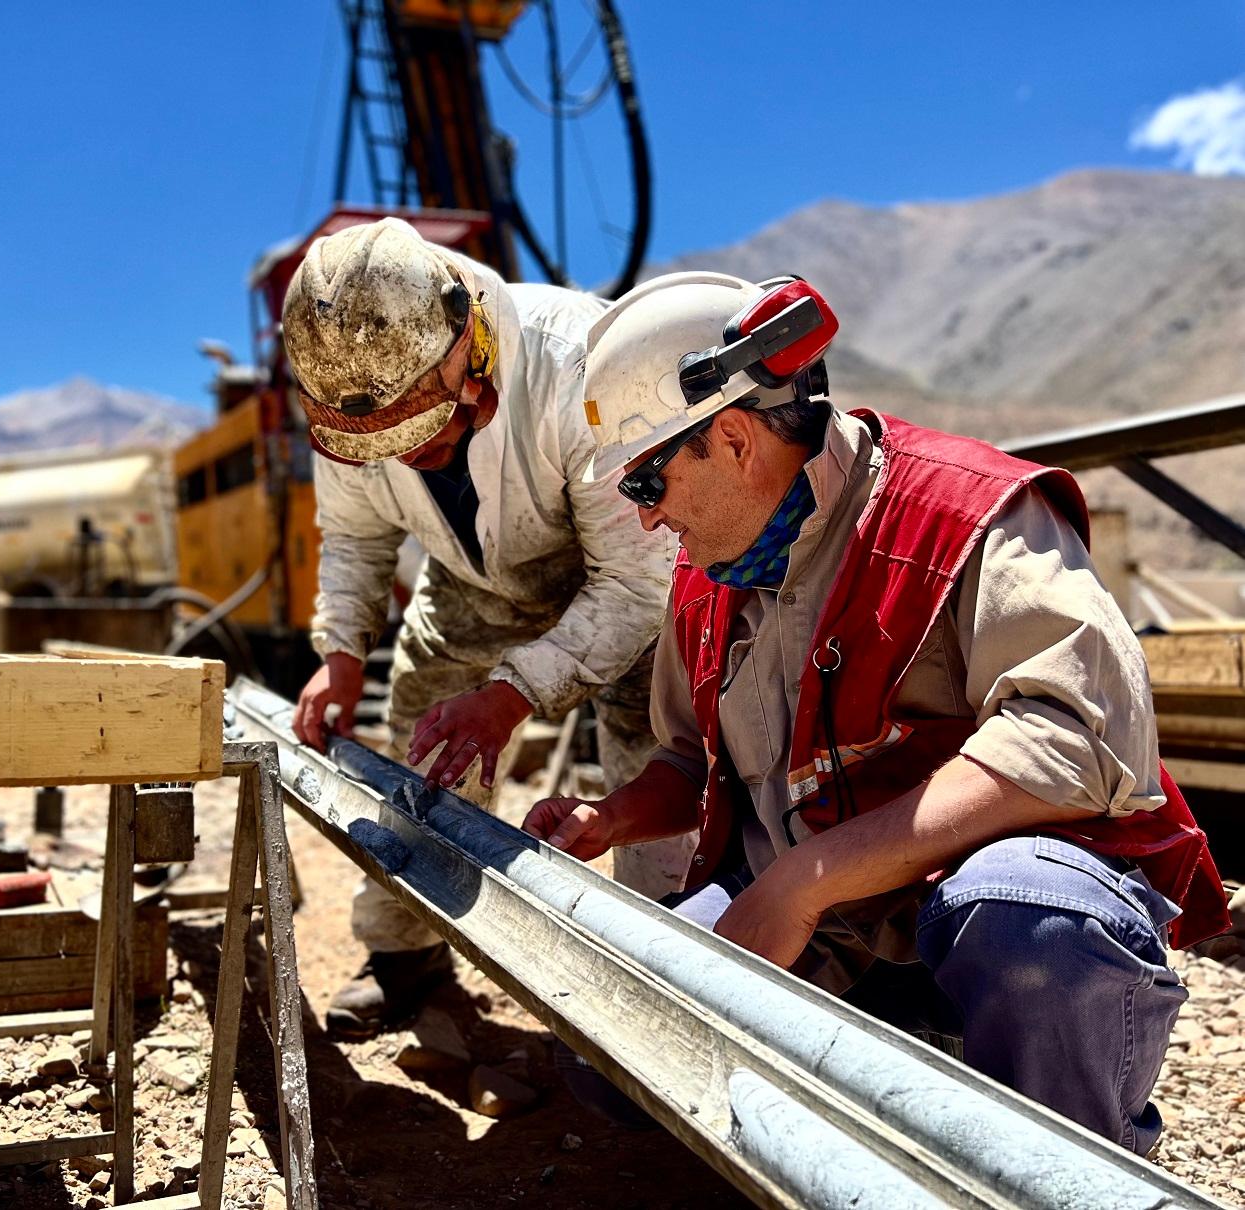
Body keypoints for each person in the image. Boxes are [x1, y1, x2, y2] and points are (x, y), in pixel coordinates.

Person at [523, 270, 1229, 1153]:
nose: (648, 522)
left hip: (966, 924)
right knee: (614, 1036)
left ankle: (1069, 1160)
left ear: (733, 439)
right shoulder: (712, 579)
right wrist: (610, 817)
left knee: (1036, 928)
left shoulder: (963, 516)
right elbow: (688, 760)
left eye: (645, 485)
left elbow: (1074, 735)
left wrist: (803, 881)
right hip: (834, 935)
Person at [282, 218, 684, 1037]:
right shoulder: (346, 392)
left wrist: (510, 698)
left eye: (423, 430)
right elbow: (356, 536)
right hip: (471, 584)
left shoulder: (580, 365)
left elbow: (637, 586)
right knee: (421, 744)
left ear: (469, 348)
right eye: (386, 446)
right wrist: (341, 649)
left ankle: (664, 976)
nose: (410, 458)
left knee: (658, 748)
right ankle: (407, 959)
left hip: (623, 573)